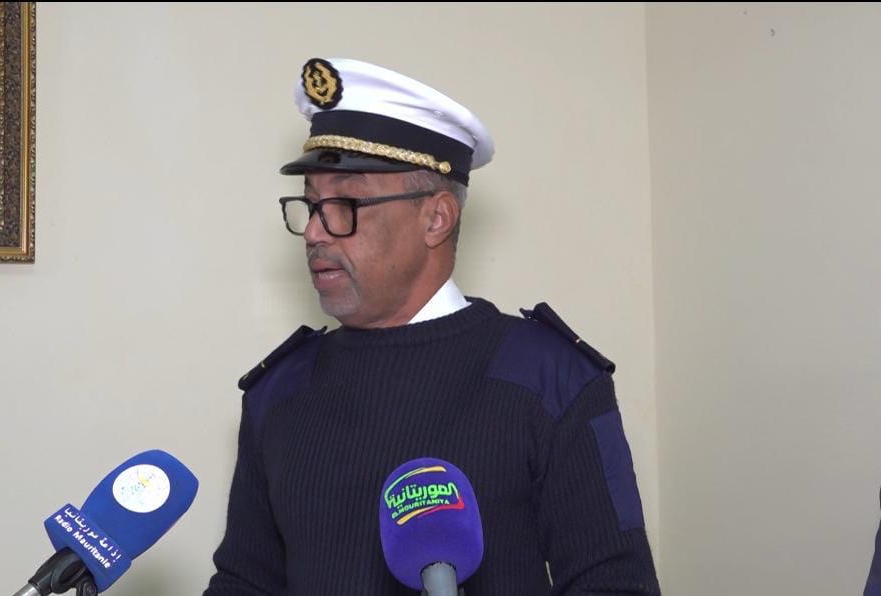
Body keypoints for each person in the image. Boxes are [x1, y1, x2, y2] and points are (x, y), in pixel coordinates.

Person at [205, 57, 660, 595]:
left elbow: (615, 583)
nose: (314, 233)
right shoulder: (278, 392)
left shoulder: (553, 380)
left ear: (436, 218)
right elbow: (244, 583)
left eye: (344, 205)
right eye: (310, 205)